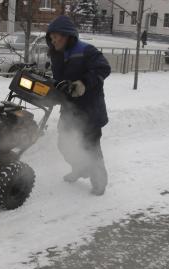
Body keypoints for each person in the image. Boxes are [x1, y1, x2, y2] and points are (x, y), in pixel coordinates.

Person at [46, 16, 111, 196]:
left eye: (57, 36)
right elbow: (60, 81)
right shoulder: (57, 55)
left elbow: (104, 68)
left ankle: (99, 182)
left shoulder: (86, 50)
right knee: (64, 144)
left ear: (67, 36)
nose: (53, 40)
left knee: (91, 147)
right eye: (51, 37)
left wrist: (83, 83)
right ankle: (80, 168)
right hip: (69, 109)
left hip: (90, 109)